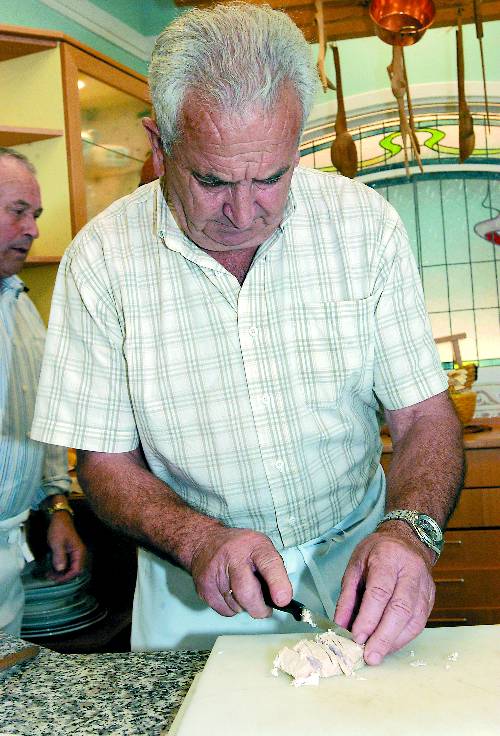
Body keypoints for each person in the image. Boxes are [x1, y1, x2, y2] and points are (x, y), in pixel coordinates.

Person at [31, 4, 464, 661]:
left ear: (297, 145)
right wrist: (198, 539)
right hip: (192, 587)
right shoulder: (101, 261)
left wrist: (408, 532)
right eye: (211, 180)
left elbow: (423, 417)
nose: (242, 212)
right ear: (159, 144)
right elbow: (103, 461)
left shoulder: (364, 227)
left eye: (271, 177)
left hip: (357, 565)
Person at [0, 148, 86, 636]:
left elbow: (43, 411)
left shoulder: (19, 302)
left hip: (10, 552)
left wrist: (57, 505)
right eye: (18, 211)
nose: (32, 229)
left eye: (35, 214)